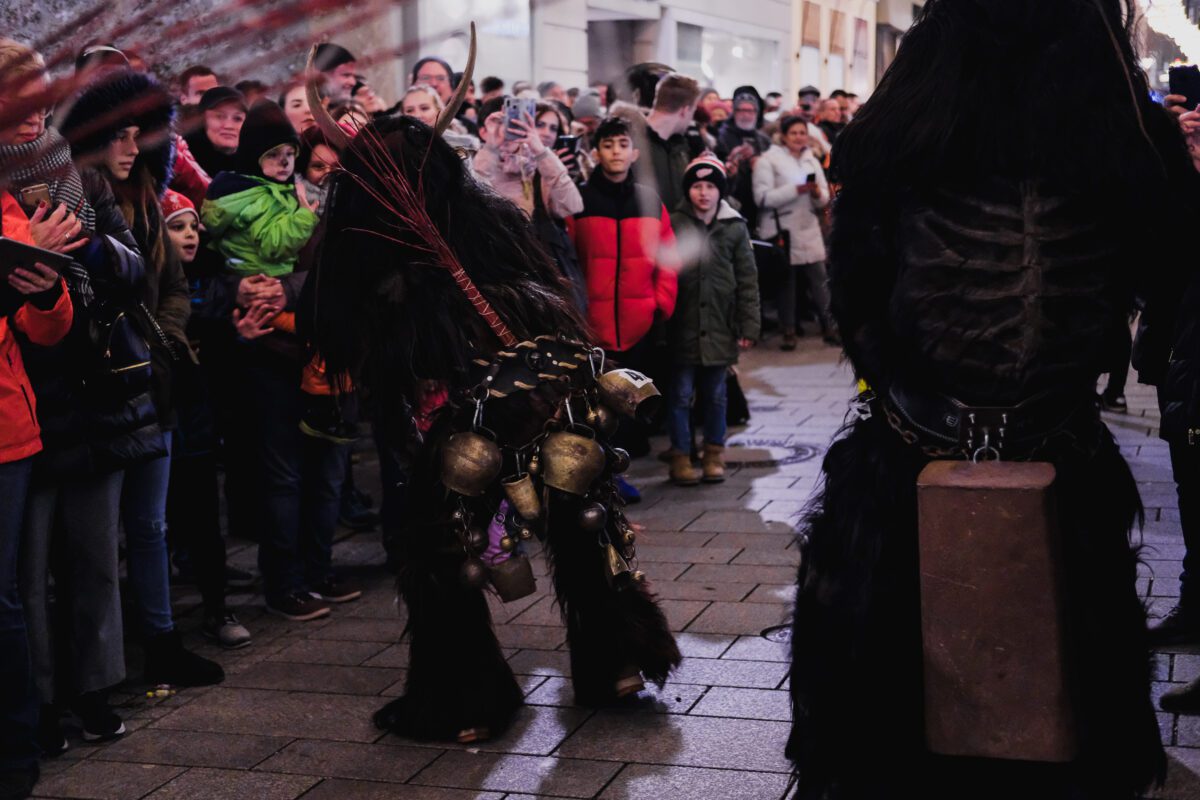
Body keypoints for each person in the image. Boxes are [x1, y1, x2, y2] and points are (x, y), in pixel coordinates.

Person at [786, 1, 1194, 796]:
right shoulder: (1108, 120)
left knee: (904, 721)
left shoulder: (925, 113)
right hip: (985, 446)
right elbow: (1166, 264)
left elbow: (858, 293)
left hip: (943, 445)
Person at [302, 67, 681, 745]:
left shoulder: (380, 252)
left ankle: (465, 699)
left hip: (466, 420)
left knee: (441, 547)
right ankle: (617, 659)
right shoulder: (481, 225)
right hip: (547, 400)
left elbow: (336, 331)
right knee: (583, 522)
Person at [1, 38, 159, 751]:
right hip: (23, 397)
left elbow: (134, 271)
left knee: (94, 556)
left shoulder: (79, 174)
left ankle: (94, 690)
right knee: (25, 576)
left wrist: (84, 252)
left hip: (90, 387)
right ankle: (36, 706)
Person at [59, 69, 224, 687]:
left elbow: (176, 289)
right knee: (101, 537)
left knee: (151, 526)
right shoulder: (82, 196)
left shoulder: (150, 199)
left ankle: (159, 639)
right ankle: (106, 662)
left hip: (154, 384)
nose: (130, 148)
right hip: (103, 386)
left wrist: (167, 340)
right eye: (119, 136)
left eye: (139, 136)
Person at [201, 100, 361, 621]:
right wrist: (240, 287)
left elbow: (345, 282)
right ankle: (285, 581)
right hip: (272, 354)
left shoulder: (347, 216)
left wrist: (286, 287)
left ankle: (319, 570)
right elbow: (211, 269)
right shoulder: (262, 199)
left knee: (328, 474)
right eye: (316, 165)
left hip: (330, 357)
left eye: (330, 168)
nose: (318, 176)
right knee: (284, 475)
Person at [0, 188, 73, 800]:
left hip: (4, 437)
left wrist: (47, 289)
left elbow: (46, 328)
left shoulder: (6, 208)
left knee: (2, 600)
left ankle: (16, 745)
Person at [569, 115, 679, 464]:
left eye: (622, 144)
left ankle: (628, 458)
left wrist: (660, 302)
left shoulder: (649, 201)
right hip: (592, 324)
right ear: (596, 152)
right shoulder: (579, 201)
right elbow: (568, 259)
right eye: (608, 145)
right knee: (596, 403)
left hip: (639, 320)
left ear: (634, 153)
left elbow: (668, 255)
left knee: (635, 395)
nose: (616, 152)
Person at [666, 156, 759, 485]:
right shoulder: (675, 222)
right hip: (683, 323)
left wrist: (749, 325)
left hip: (720, 323)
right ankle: (680, 454)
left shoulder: (734, 226)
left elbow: (747, 278)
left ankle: (714, 452)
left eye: (710, 186)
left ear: (720, 191)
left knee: (716, 394)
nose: (703, 193)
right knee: (679, 394)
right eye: (696, 186)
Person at [753, 115, 834, 349]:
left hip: (808, 227)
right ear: (784, 136)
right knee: (786, 283)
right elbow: (763, 197)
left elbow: (824, 198)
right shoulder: (769, 161)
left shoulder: (811, 160)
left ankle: (830, 325)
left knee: (820, 279)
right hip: (783, 229)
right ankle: (788, 329)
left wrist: (817, 194)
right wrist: (796, 189)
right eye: (794, 133)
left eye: (802, 133)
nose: (799, 137)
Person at [641, 73, 702, 212]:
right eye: (693, 111)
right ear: (685, 110)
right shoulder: (631, 145)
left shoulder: (682, 146)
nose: (691, 119)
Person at [715, 86, 772, 231]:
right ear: (734, 112)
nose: (746, 115)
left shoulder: (764, 140)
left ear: (756, 113)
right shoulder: (720, 137)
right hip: (732, 200)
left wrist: (760, 162)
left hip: (759, 202)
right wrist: (731, 159)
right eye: (741, 110)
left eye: (750, 110)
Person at [184, 86, 247, 178]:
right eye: (219, 116)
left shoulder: (255, 166)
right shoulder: (182, 165)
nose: (229, 126)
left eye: (237, 118)